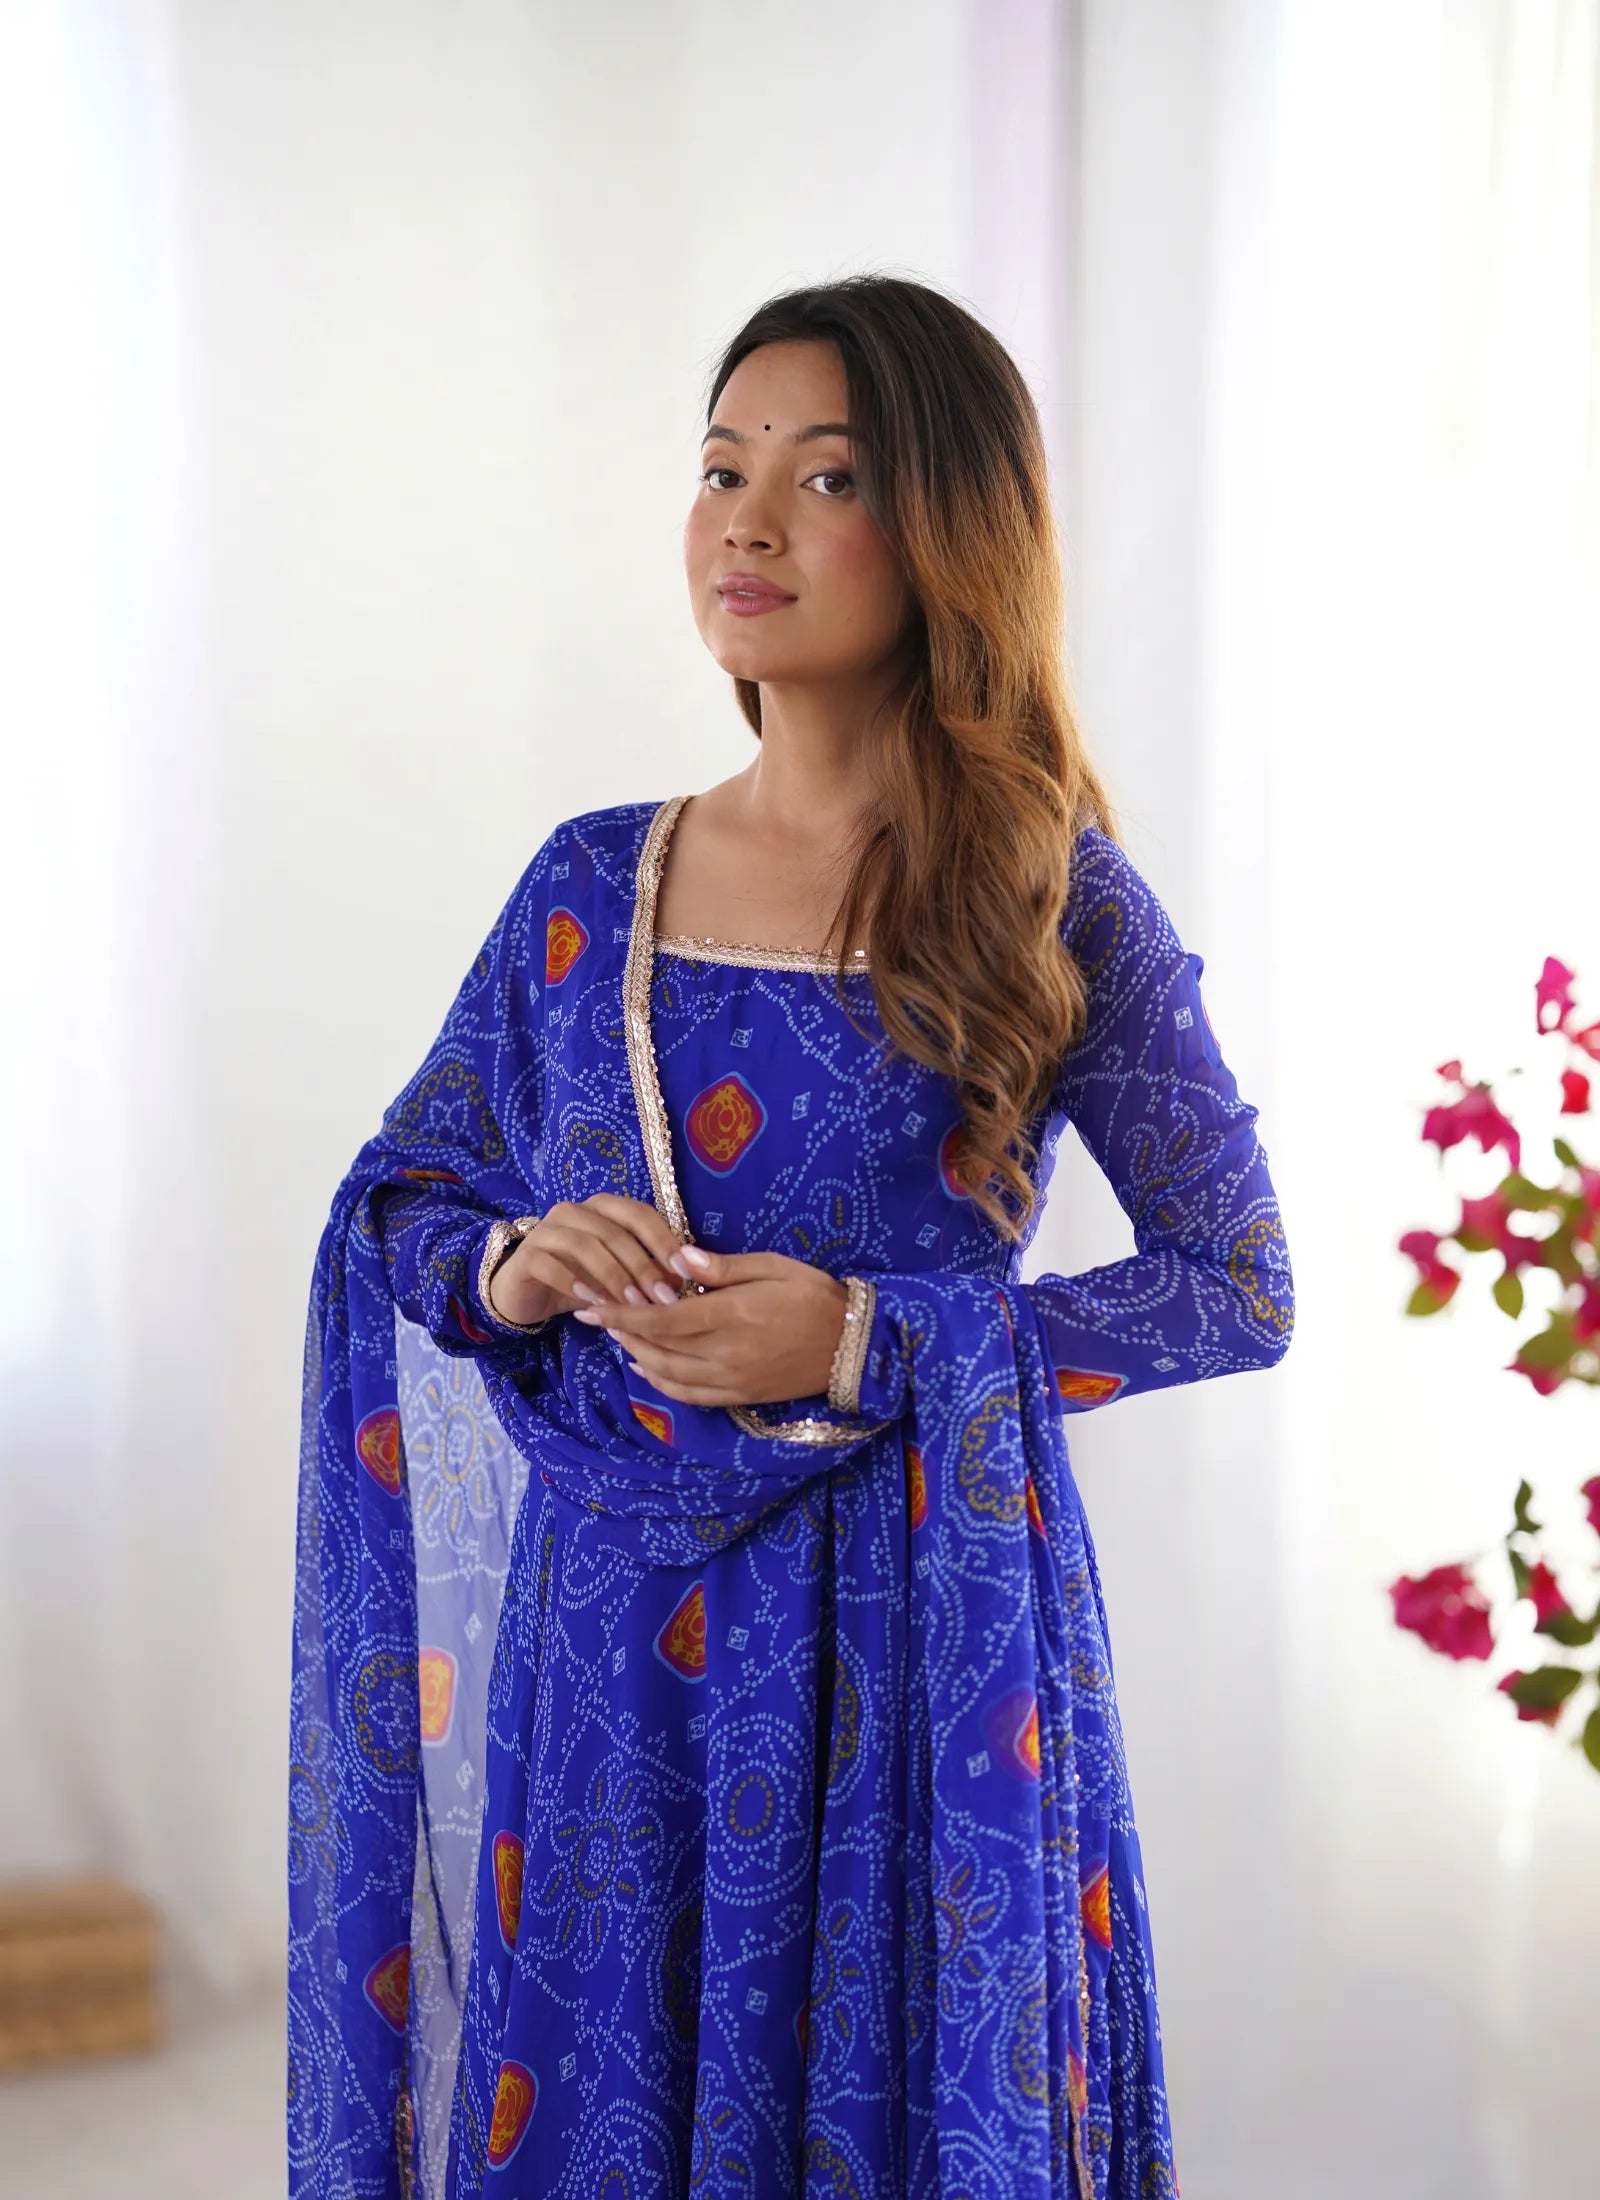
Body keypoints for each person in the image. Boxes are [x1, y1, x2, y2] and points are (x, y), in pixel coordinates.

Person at [287, 274, 1294, 2200]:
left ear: (946, 529)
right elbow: (400, 1199)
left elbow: (1236, 1286)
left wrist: (860, 1341)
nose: (746, 522)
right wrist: (515, 1267)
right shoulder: (592, 882)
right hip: (614, 1660)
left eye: (823, 477)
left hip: (917, 1636)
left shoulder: (1050, 897)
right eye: (720, 467)